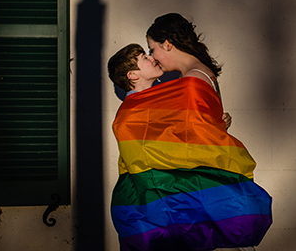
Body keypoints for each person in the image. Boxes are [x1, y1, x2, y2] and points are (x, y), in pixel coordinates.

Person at [107, 41, 271, 251]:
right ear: (132, 75)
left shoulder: (171, 97)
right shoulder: (128, 115)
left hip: (179, 196)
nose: (152, 58)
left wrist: (214, 124)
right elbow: (145, 162)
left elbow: (186, 137)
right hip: (152, 202)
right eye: (144, 58)